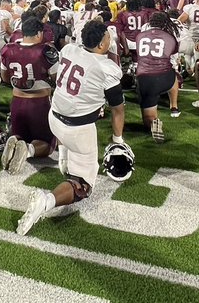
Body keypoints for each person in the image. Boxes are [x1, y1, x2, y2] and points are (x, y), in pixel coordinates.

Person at [17, 20, 127, 236]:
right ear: (102, 44)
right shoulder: (107, 69)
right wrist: (117, 140)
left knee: (68, 136)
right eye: (107, 36)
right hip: (78, 129)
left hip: (55, 117)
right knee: (83, 185)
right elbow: (118, 109)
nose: (109, 38)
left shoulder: (68, 49)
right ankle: (47, 201)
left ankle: (65, 159)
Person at [0, 16, 61, 172]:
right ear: (39, 33)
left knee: (21, 135)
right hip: (39, 104)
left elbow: (5, 77)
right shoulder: (46, 51)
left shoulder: (8, 48)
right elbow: (57, 79)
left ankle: (14, 139)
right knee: (47, 145)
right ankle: (27, 150)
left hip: (17, 102)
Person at [134, 12, 181, 142]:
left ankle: (153, 122)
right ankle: (174, 105)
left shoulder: (140, 36)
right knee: (173, 74)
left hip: (144, 79)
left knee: (147, 118)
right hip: (165, 77)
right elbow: (172, 56)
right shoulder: (170, 37)